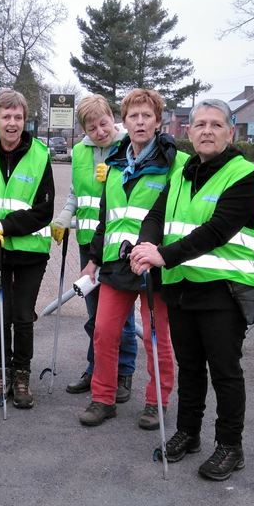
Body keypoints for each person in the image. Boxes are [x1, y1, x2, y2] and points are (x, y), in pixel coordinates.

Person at [130, 99, 254, 481]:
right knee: (190, 367)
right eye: (200, 125)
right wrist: (145, 246)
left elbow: (216, 231)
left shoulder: (243, 175)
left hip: (225, 290)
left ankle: (230, 445)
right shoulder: (182, 173)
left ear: (230, 131)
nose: (207, 131)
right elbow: (155, 216)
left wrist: (161, 255)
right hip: (182, 287)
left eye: (216, 124)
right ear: (188, 132)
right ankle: (188, 433)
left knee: (224, 370)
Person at [77, 89, 181, 430]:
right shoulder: (117, 163)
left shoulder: (173, 163)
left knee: (155, 337)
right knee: (105, 332)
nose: (139, 122)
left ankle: (156, 402)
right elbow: (106, 217)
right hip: (115, 263)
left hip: (154, 263)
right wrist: (94, 258)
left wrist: (160, 253)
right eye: (134, 116)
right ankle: (103, 398)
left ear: (157, 121)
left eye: (146, 116)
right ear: (125, 121)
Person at [0, 89, 54, 409]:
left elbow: (44, 210)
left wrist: (4, 225)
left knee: (22, 315)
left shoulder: (40, 154)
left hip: (30, 250)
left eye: (18, 117)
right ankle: (3, 373)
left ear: (24, 120)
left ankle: (21, 375)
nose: (12, 123)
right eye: (6, 117)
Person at [50, 95, 137, 404]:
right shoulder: (79, 151)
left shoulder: (129, 145)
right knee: (94, 315)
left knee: (120, 318)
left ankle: (123, 372)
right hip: (88, 244)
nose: (100, 132)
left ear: (111, 117)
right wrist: (63, 217)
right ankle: (96, 368)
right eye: (91, 127)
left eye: (103, 124)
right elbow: (75, 194)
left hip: (120, 244)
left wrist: (118, 174)